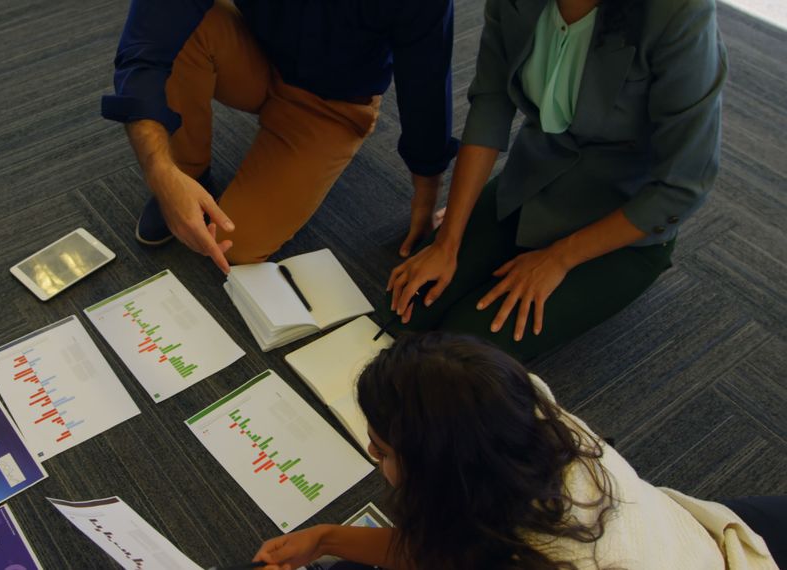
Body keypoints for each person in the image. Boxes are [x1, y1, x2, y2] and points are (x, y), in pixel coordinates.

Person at [253, 333, 782, 569]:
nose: (372, 454)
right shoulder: (523, 407)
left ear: (445, 477)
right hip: (680, 529)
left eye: (382, 450)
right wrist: (325, 539)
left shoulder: (542, 560)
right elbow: (449, 548)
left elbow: (449, 554)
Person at [385, 0, 728, 361]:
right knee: (402, 309)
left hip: (623, 217)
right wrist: (448, 241)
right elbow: (491, 103)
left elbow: (684, 185)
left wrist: (559, 258)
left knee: (457, 352)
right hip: (532, 181)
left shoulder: (679, 11)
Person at [102, 0, 459, 273]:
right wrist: (162, 173)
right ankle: (191, 173)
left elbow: (425, 84)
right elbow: (145, 47)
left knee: (235, 243)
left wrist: (427, 191)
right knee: (183, 31)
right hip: (258, 51)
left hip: (332, 102)